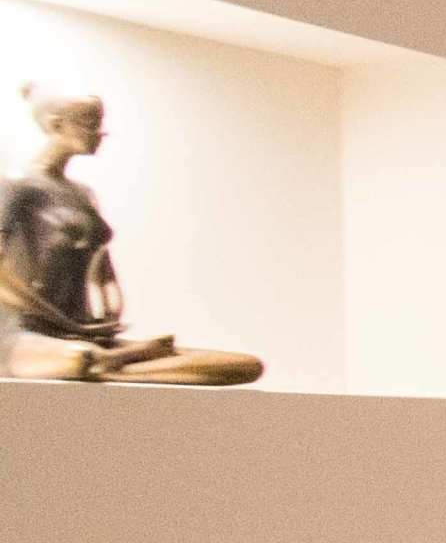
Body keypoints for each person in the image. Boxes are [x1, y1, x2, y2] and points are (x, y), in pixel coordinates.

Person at [0, 83, 265, 384]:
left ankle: (112, 362)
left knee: (244, 366)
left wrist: (110, 314)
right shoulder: (15, 186)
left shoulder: (84, 194)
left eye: (99, 124)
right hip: (26, 335)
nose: (99, 133)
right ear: (56, 125)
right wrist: (59, 320)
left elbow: (103, 267)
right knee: (79, 358)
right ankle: (117, 359)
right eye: (89, 124)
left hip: (89, 333)